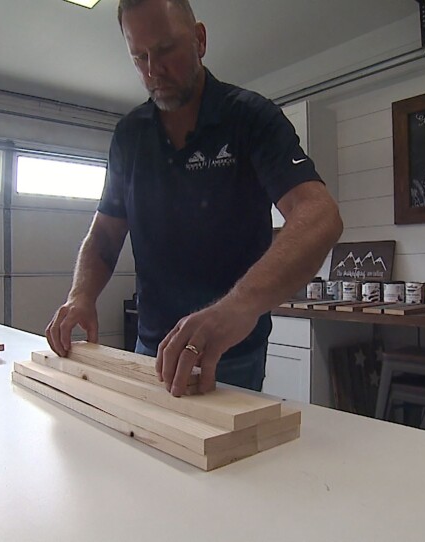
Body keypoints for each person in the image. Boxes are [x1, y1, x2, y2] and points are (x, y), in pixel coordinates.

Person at [46, 0, 343, 397]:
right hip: (150, 347)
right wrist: (81, 296)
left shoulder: (252, 118)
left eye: (166, 49)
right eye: (140, 57)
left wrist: (238, 307)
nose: (154, 71)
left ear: (200, 40)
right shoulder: (129, 136)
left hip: (229, 353)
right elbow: (105, 232)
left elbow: (320, 215)